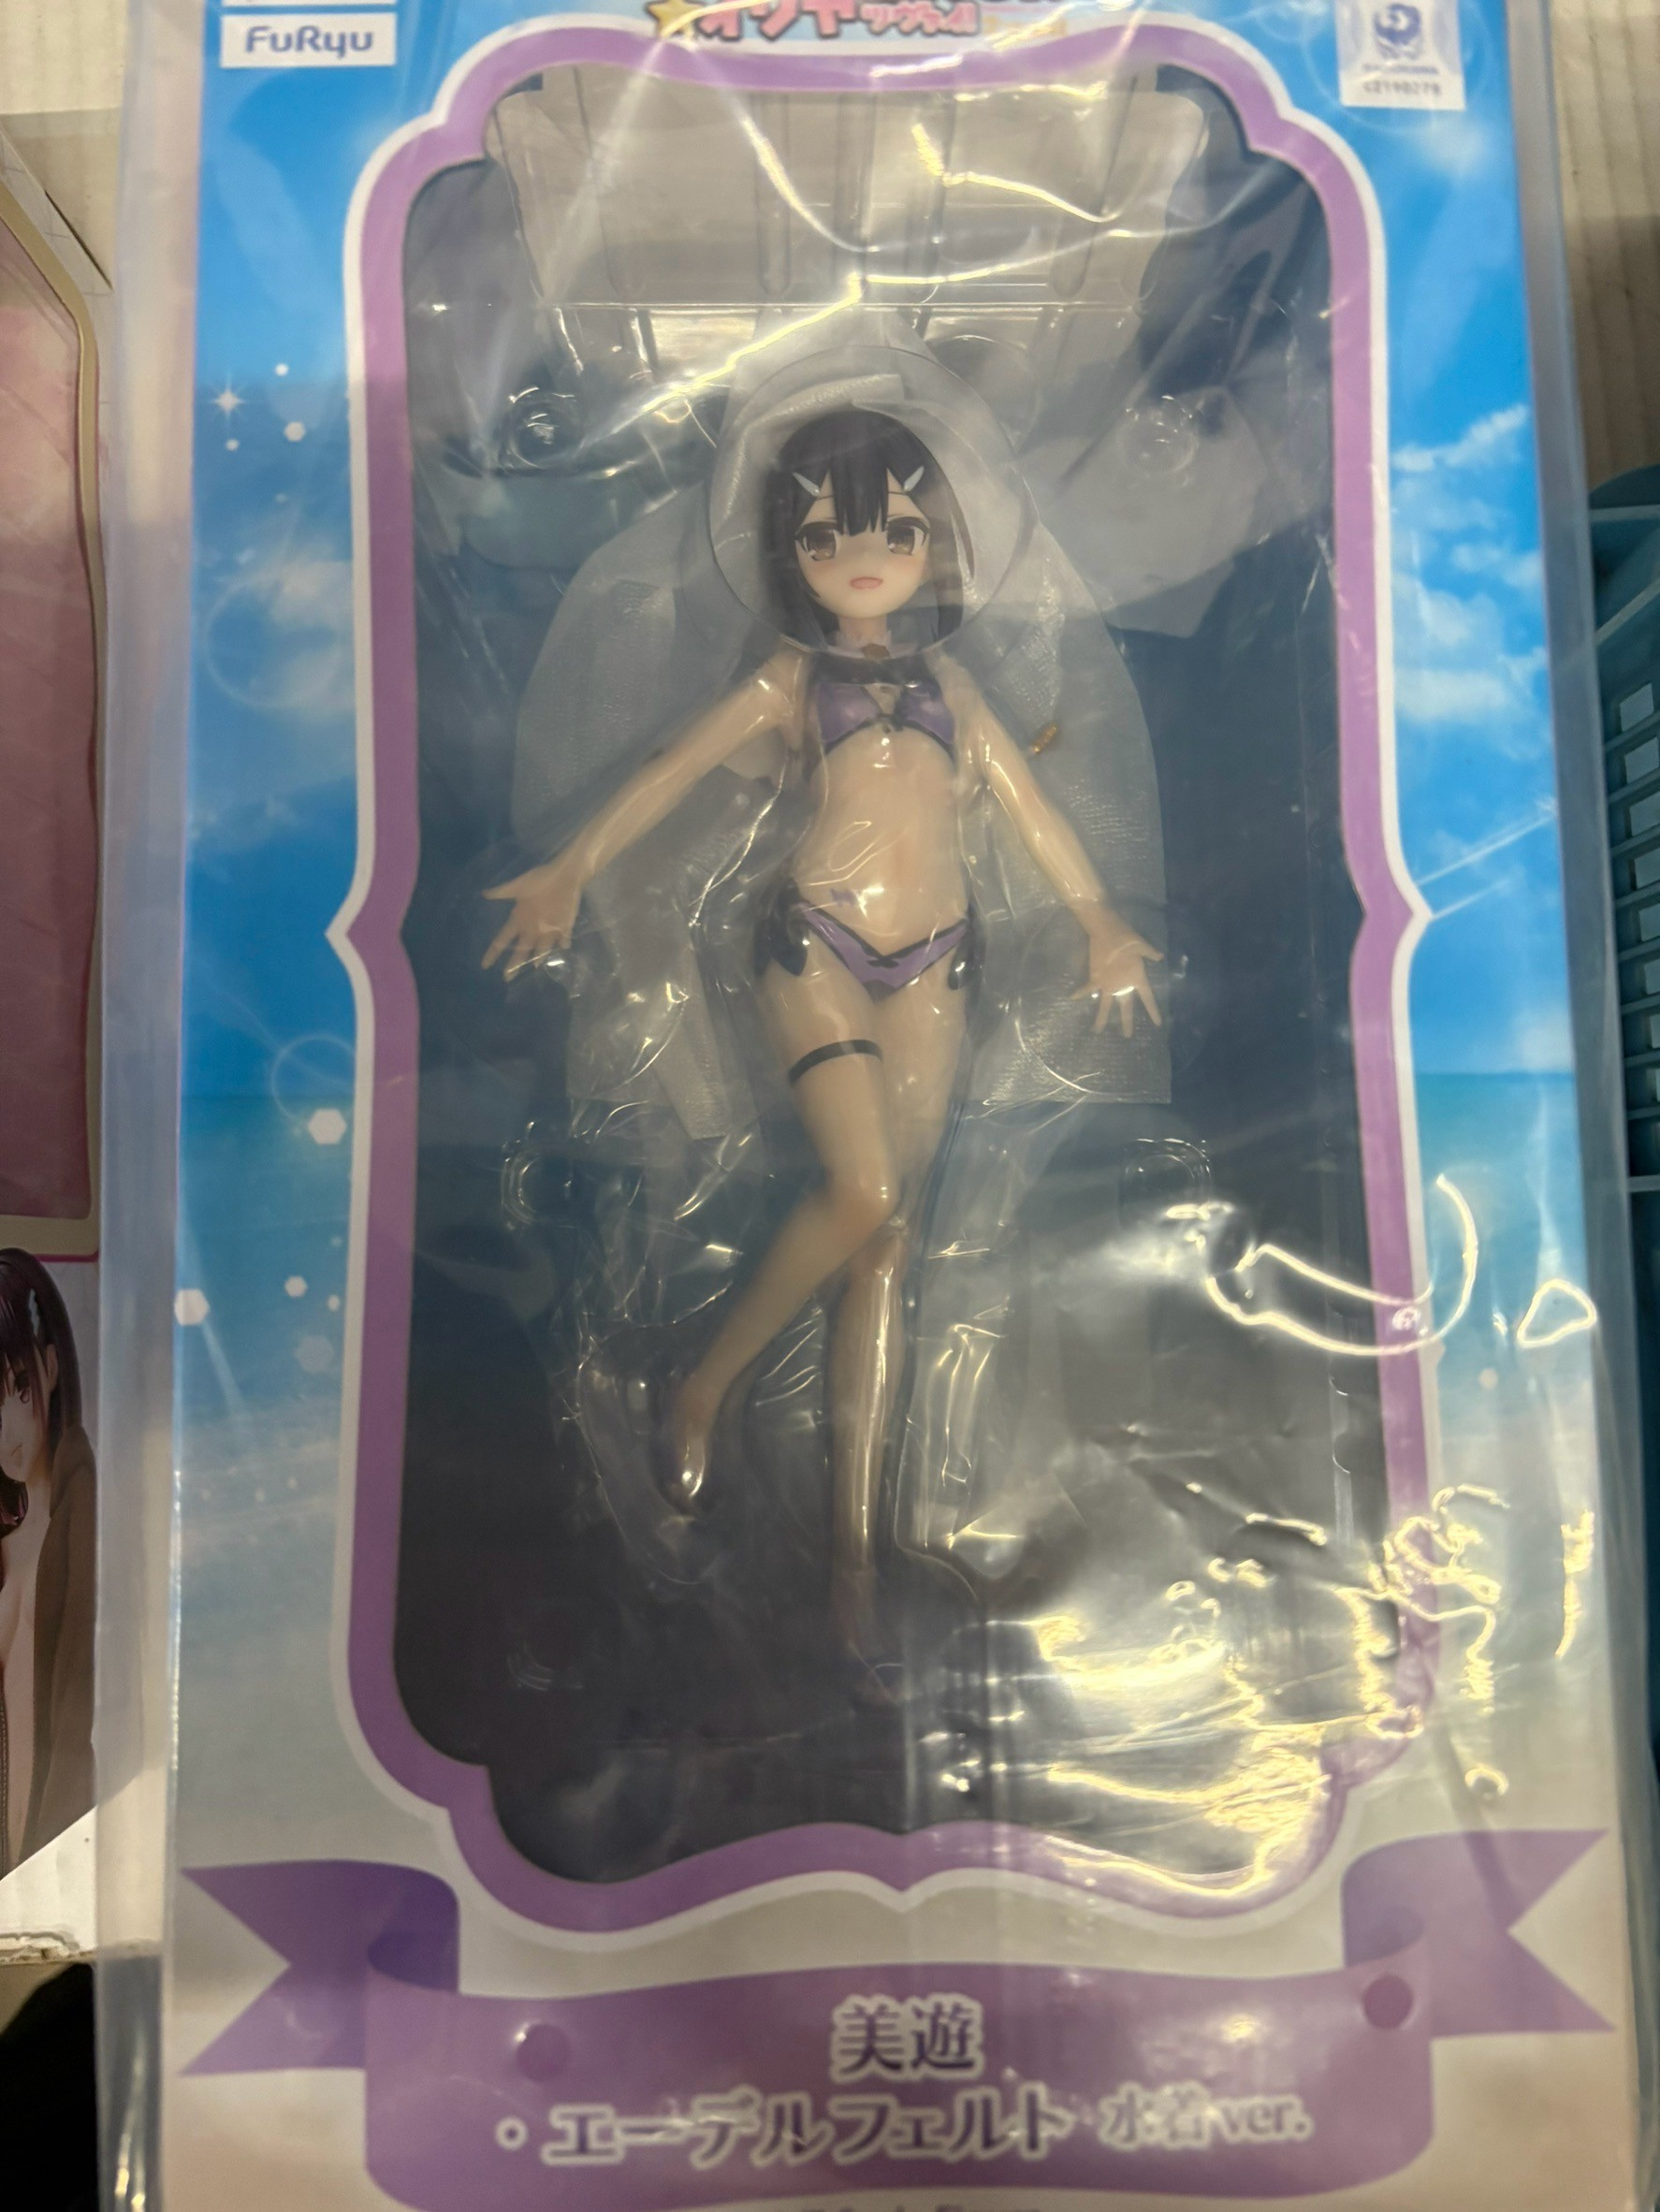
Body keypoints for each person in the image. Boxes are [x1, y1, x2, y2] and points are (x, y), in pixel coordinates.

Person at [484, 407, 1159, 1652]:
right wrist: (571, 868)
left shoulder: (953, 686)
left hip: (940, 958)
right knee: (863, 1192)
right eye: (823, 536)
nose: (860, 559)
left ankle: (854, 1566)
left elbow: (1030, 810)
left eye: (892, 532)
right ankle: (704, 1385)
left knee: (886, 1249)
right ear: (789, 554)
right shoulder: (792, 682)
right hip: (817, 942)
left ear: (932, 545)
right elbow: (670, 770)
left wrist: (1097, 918)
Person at [0, 1251, 95, 1871]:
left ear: (51, 1367)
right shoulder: (9, 1538)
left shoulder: (81, 1513)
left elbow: (82, 1712)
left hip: (54, 1850)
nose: (6, 1428)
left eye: (18, 1389)